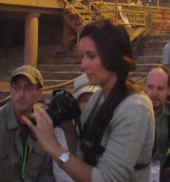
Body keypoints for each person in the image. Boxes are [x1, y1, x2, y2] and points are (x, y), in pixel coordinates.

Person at [24, 19, 155, 181]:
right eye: (82, 56)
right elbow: (81, 158)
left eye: (91, 56)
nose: (83, 65)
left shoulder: (135, 109)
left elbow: (107, 178)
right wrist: (65, 125)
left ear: (112, 56)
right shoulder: (98, 98)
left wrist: (54, 148)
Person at [0, 65, 53, 181]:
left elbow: (47, 172)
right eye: (16, 88)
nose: (21, 94)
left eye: (28, 88)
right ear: (10, 91)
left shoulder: (43, 123)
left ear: (39, 93)